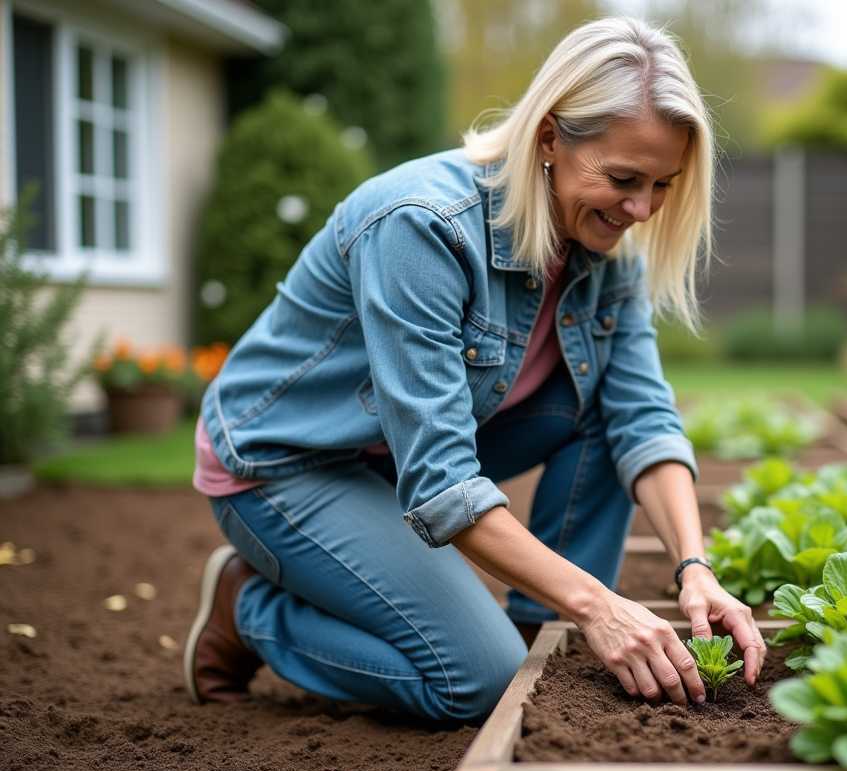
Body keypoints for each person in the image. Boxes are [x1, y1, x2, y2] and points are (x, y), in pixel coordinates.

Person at [183, 15, 764, 722]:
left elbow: (642, 415)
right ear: (549, 137)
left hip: (387, 456)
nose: (641, 209)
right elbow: (442, 482)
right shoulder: (421, 225)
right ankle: (250, 609)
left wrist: (693, 568)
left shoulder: (604, 241)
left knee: (605, 414)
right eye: (622, 178)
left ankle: (534, 637)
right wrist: (599, 603)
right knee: (476, 682)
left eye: (663, 184)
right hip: (287, 463)